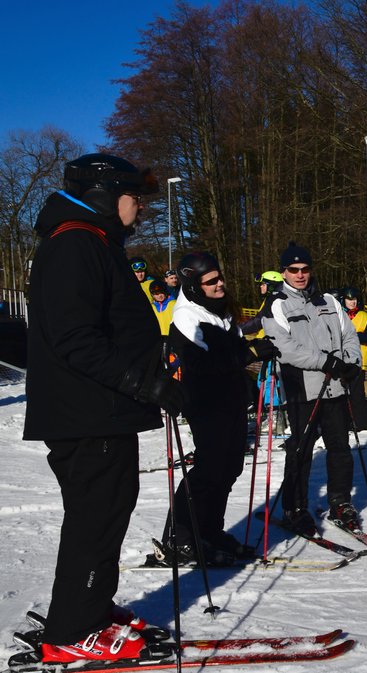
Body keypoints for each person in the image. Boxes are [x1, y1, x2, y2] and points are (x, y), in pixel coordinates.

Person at [23, 153, 184, 664]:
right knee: (96, 516)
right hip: (87, 411)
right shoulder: (75, 244)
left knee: (108, 511)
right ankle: (73, 629)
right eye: (133, 196)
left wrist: (152, 368)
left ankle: (89, 607)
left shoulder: (92, 243)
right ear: (104, 195)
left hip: (101, 409)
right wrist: (145, 384)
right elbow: (75, 339)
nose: (139, 206)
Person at [154, 252, 278, 565]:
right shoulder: (186, 317)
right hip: (205, 401)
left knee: (230, 467)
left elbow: (233, 351)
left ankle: (209, 530)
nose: (219, 283)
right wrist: (249, 353)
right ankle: (179, 536)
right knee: (209, 469)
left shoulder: (219, 310)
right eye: (211, 281)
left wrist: (249, 372)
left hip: (230, 399)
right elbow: (202, 364)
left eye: (219, 277)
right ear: (194, 286)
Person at [261, 243, 362, 535]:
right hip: (301, 389)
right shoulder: (276, 305)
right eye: (293, 270)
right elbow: (286, 348)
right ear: (284, 273)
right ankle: (296, 506)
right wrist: (325, 362)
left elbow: (349, 334)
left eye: (304, 269)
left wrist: (348, 362)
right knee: (301, 450)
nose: (300, 275)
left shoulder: (329, 300)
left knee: (340, 448)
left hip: (335, 387)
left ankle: (340, 501)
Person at [338, 286, 367, 431]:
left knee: (357, 394)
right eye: (349, 300)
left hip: (359, 362)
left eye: (354, 300)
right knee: (340, 393)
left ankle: (361, 423)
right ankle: (343, 421)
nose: (352, 302)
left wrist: (353, 336)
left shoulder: (364, 317)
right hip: (341, 360)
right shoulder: (339, 315)